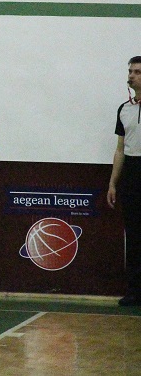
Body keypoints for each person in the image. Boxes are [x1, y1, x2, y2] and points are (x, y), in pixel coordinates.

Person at [107, 56, 141, 306]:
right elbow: (120, 149)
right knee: (134, 233)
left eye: (137, 72)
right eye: (130, 71)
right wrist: (113, 183)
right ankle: (135, 291)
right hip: (131, 172)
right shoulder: (124, 109)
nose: (131, 76)